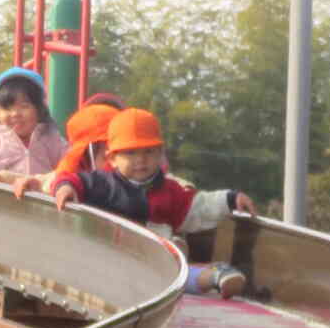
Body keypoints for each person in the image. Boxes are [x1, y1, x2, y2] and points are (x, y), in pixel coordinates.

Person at [50, 108, 257, 292]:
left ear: (160, 155)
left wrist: (230, 199)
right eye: (130, 153)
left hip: (156, 267)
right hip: (110, 261)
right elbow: (73, 179)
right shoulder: (102, 184)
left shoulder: (170, 191)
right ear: (112, 158)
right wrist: (65, 188)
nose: (141, 160)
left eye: (149, 151)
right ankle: (208, 274)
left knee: (179, 276)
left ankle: (215, 277)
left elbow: (199, 207)